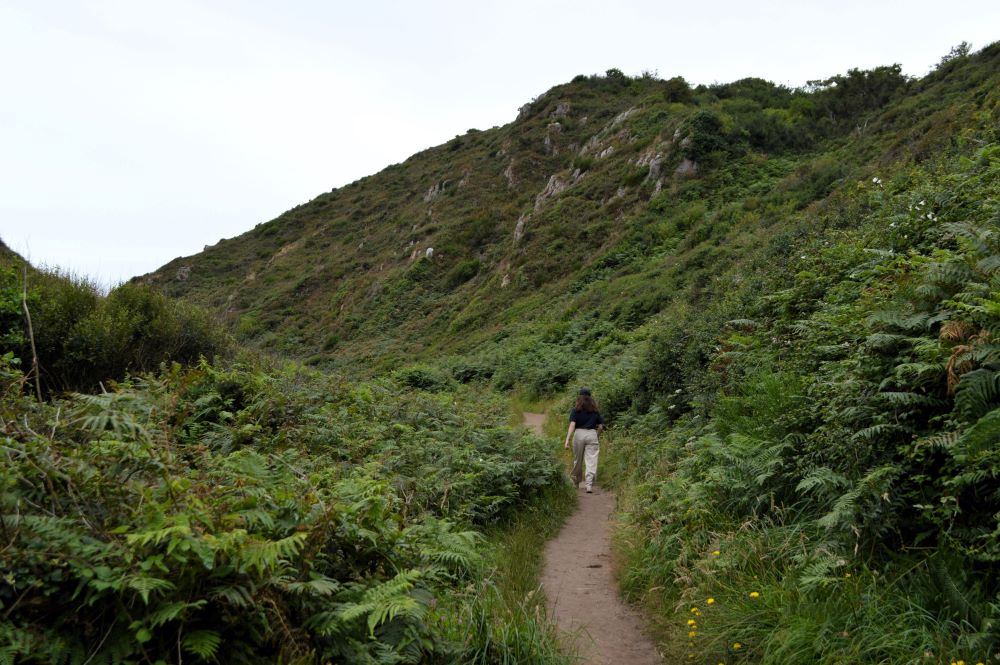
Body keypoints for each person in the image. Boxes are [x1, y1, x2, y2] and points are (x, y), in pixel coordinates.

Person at [564, 388, 604, 493]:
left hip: (579, 434)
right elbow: (600, 426)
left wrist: (567, 439)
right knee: (591, 460)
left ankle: (576, 482)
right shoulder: (595, 411)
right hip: (591, 433)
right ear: (590, 398)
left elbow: (572, 425)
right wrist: (596, 435)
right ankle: (589, 485)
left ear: (579, 397)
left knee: (578, 459)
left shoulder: (575, 410)